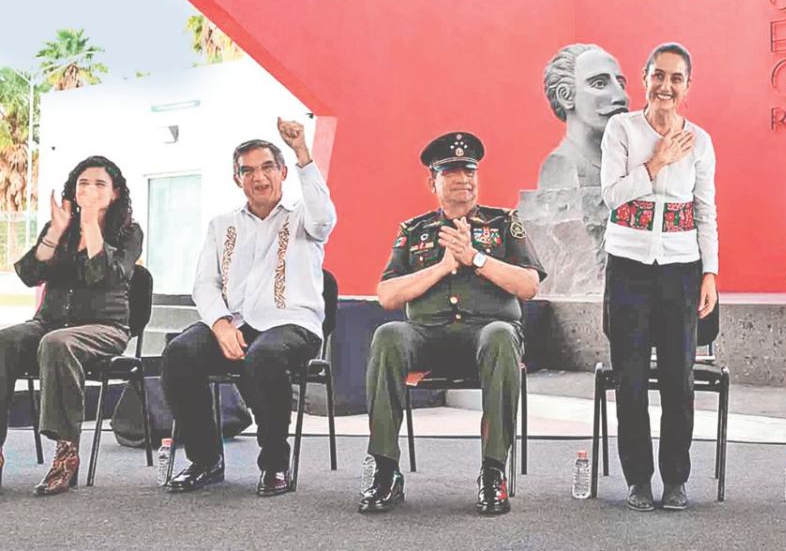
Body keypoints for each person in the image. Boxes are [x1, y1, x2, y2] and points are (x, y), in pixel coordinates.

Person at [359, 131, 545, 516]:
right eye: (453, 172)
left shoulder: (504, 222)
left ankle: (493, 472)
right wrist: (443, 267)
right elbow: (387, 295)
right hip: (428, 335)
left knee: (500, 335)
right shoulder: (414, 230)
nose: (464, 179)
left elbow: (528, 286)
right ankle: (385, 469)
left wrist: (475, 258)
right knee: (388, 335)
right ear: (433, 181)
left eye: (469, 171)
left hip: (487, 335)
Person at [162, 118, 335, 497]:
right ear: (236, 178)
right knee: (179, 353)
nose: (259, 177)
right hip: (235, 324)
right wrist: (221, 324)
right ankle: (205, 460)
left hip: (292, 324)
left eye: (268, 167)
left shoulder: (303, 219)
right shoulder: (221, 225)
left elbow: (324, 216)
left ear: (283, 172)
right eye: (248, 170)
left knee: (265, 355)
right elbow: (205, 284)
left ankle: (275, 464)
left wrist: (303, 152)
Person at [600, 42, 718, 512]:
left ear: (687, 86)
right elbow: (612, 196)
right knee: (629, 378)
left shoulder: (702, 141)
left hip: (681, 268)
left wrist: (710, 271)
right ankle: (637, 480)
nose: (666, 86)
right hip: (627, 266)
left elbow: (705, 210)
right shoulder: (621, 129)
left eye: (676, 78)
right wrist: (657, 162)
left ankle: (675, 480)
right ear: (644, 77)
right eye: (658, 76)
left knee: (678, 379)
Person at [1, 156, 142, 495]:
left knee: (57, 343)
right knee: (5, 340)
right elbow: (29, 275)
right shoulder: (63, 228)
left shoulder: (129, 233)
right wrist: (54, 232)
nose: (89, 190)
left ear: (115, 193)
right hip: (49, 322)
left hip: (105, 328)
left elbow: (104, 276)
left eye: (99, 184)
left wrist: (91, 225)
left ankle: (66, 453)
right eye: (83, 183)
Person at [539, 44, 630, 189]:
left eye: (621, 84)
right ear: (565, 95)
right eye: (600, 84)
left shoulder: (626, 163)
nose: (621, 97)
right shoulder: (562, 166)